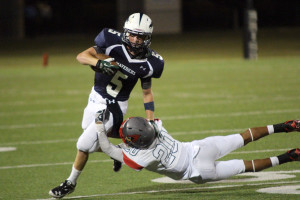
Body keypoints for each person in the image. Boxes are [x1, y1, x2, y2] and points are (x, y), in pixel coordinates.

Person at [49, 13, 164, 198]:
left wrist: (151, 121)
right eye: (132, 34)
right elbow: (81, 56)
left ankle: (70, 183)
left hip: (114, 106)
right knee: (92, 140)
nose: (135, 40)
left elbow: (147, 92)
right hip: (95, 97)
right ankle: (118, 152)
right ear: (126, 32)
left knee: (84, 144)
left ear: (147, 38)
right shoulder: (111, 41)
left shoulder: (151, 63)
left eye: (140, 36)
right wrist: (98, 62)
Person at [96, 114, 300, 184]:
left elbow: (107, 148)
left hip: (199, 171)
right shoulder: (157, 126)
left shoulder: (141, 158)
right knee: (243, 136)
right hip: (201, 148)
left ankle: (289, 156)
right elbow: (149, 119)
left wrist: (98, 125)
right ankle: (285, 126)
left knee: (246, 166)